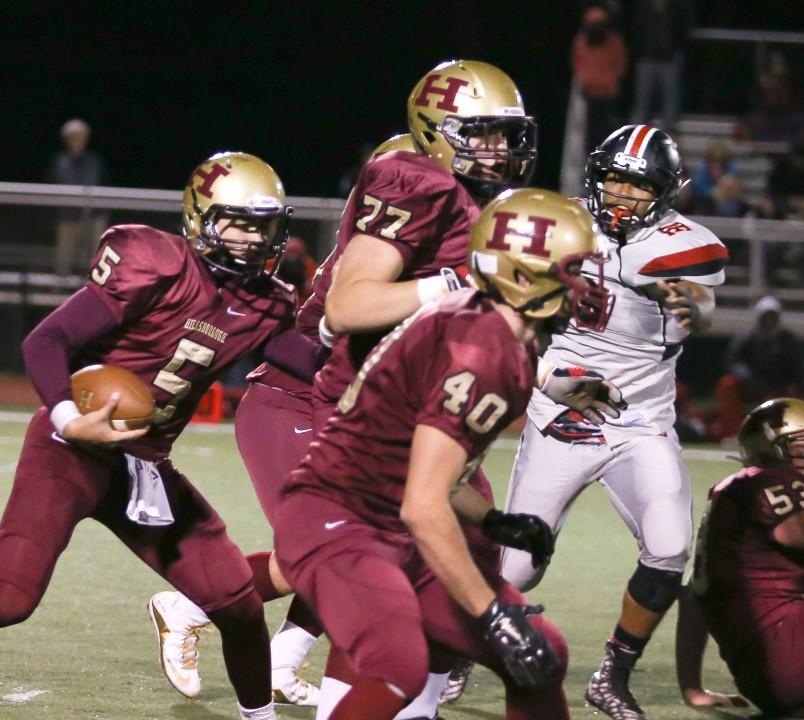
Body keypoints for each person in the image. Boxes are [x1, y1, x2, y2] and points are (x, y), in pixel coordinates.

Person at [147, 59, 541, 716]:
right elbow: (346, 309)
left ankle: (278, 653)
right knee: (357, 555)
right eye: (483, 133)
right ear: (436, 129)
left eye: (506, 135)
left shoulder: (466, 200)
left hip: (368, 401)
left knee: (452, 538)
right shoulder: (415, 179)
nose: (498, 149)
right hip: (306, 394)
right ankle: (207, 612)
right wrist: (454, 287)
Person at [0, 151, 297, 720]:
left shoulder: (264, 304)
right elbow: (46, 341)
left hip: (144, 469)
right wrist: (67, 417)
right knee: (6, 599)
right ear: (201, 219)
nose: (254, 240)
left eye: (265, 226)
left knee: (236, 603)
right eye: (240, 223)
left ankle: (258, 715)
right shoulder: (157, 264)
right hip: (69, 452)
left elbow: (310, 362)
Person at [274, 188, 617, 720]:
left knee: (543, 654)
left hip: (393, 519)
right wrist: (491, 615)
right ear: (521, 277)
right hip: (343, 516)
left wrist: (494, 520)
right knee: (399, 665)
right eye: (572, 270)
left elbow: (431, 467)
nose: (586, 285)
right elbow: (423, 503)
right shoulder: (482, 348)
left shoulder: (503, 333)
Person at [498, 124, 728, 720]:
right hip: (562, 406)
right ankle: (463, 651)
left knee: (670, 545)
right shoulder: (559, 225)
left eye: (636, 185)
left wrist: (691, 307)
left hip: (640, 419)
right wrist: (552, 381)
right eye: (614, 180)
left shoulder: (687, 244)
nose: (621, 195)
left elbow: (702, 308)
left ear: (666, 190)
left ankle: (612, 675)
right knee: (516, 567)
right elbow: (508, 312)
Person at [676, 397, 804, 718]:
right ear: (772, 448)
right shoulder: (775, 481)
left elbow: (694, 595)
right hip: (791, 656)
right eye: (801, 444)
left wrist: (691, 687)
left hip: (763, 678)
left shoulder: (732, 492)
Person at [710, 296, 803, 442]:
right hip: (749, 387)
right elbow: (733, 360)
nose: (769, 320)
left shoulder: (789, 342)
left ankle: (784, 435)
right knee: (728, 385)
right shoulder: (747, 338)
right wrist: (746, 377)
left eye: (772, 316)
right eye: (765, 316)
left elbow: (797, 370)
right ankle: (735, 433)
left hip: (777, 389)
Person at [46, 118, 113, 275]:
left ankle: (93, 291)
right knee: (64, 256)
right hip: (67, 216)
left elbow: (106, 185)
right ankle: (60, 286)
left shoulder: (95, 161)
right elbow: (51, 186)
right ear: (67, 140)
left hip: (94, 216)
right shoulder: (59, 162)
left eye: (80, 136)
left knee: (95, 255)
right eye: (73, 137)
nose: (77, 140)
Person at [629, 0, 693, 133]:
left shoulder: (678, 5)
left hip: (669, 58)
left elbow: (685, 27)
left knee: (670, 103)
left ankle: (666, 139)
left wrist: (675, 48)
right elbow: (636, 28)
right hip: (647, 58)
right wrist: (641, 48)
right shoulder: (644, 6)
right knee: (642, 104)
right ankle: (636, 140)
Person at [571, 5, 627, 153]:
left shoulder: (613, 41)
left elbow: (620, 62)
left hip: (608, 92)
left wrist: (614, 81)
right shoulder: (582, 41)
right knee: (590, 131)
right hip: (590, 92)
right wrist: (585, 79)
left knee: (608, 129)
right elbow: (577, 62)